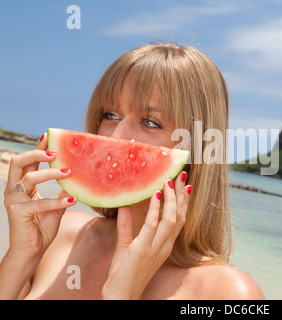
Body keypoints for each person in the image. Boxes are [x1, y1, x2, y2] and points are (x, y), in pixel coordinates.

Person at [0, 42, 264, 299]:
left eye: (150, 122)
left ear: (197, 148)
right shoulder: (57, 236)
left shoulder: (227, 293)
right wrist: (22, 257)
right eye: (110, 115)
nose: (117, 135)